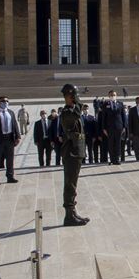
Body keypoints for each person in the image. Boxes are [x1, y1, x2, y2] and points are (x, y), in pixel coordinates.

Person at [58, 84, 90, 226]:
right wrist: (78, 102)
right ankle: (69, 216)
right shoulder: (67, 112)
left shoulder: (71, 110)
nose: (77, 98)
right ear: (69, 96)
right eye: (75, 96)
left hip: (76, 151)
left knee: (73, 183)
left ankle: (72, 212)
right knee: (70, 184)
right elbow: (77, 113)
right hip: (71, 152)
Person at [0, 95, 20, 185]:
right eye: (3, 101)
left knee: (10, 159)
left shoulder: (11, 112)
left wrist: (18, 137)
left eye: (7, 101)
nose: (5, 103)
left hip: (9, 139)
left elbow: (15, 125)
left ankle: (10, 176)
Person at [100, 90, 126, 165]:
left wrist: (124, 126)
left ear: (116, 95)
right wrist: (104, 128)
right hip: (109, 127)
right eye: (111, 95)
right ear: (109, 96)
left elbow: (123, 115)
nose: (113, 96)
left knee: (118, 143)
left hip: (119, 127)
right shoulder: (105, 104)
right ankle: (112, 159)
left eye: (114, 95)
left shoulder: (120, 104)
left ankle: (117, 159)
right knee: (111, 144)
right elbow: (103, 117)